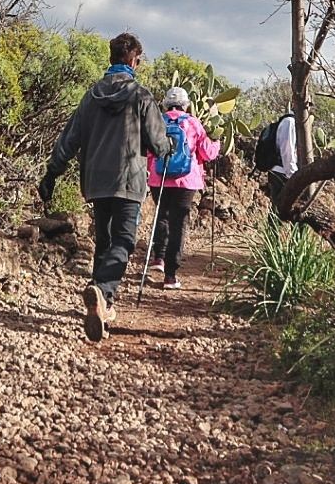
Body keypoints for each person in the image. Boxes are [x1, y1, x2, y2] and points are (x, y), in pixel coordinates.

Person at [40, 32, 173, 341]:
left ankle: (102, 304)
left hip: (96, 181)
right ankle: (103, 292)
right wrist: (168, 146)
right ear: (134, 60)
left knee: (105, 241)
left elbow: (69, 140)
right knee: (124, 241)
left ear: (111, 58)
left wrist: (51, 175)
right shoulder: (141, 96)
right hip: (128, 180)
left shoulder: (90, 97)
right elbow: (157, 142)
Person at [144, 86, 220, 290]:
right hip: (186, 181)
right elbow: (207, 153)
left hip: (159, 178)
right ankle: (170, 275)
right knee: (179, 224)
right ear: (186, 105)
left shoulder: (157, 121)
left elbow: (149, 151)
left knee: (162, 215)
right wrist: (218, 143)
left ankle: (158, 258)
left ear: (165, 104)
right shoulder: (193, 123)